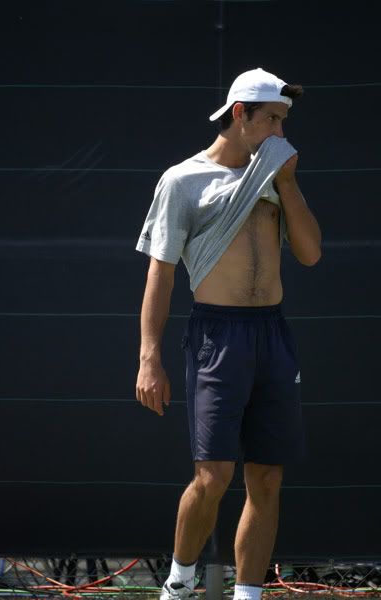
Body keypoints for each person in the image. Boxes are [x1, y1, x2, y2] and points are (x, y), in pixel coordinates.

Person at [135, 67, 322, 600]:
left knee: (267, 479)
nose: (282, 135)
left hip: (273, 335)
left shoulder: (275, 175)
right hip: (219, 337)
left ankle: (248, 595)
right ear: (240, 114)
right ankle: (179, 584)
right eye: (273, 121)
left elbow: (310, 254)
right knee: (213, 476)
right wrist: (150, 358)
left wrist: (286, 182)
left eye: (284, 122)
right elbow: (161, 272)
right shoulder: (182, 180)